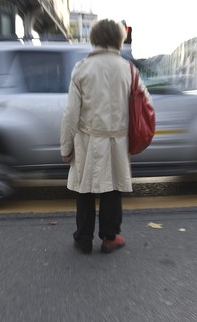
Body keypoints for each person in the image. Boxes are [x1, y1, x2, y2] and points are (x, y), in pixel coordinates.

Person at [60, 19, 152, 254]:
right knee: (112, 190)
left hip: (88, 140)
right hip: (117, 140)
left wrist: (66, 147)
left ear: (94, 38)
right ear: (119, 40)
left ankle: (83, 239)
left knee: (85, 190)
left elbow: (71, 113)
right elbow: (145, 104)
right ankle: (110, 237)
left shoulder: (81, 68)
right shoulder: (130, 70)